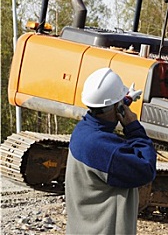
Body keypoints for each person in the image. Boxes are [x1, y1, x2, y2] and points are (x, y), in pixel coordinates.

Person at [65, 67, 157, 235]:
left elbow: (105, 110)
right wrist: (133, 128)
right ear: (116, 107)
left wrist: (124, 100)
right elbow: (147, 169)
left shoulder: (83, 130)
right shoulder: (105, 148)